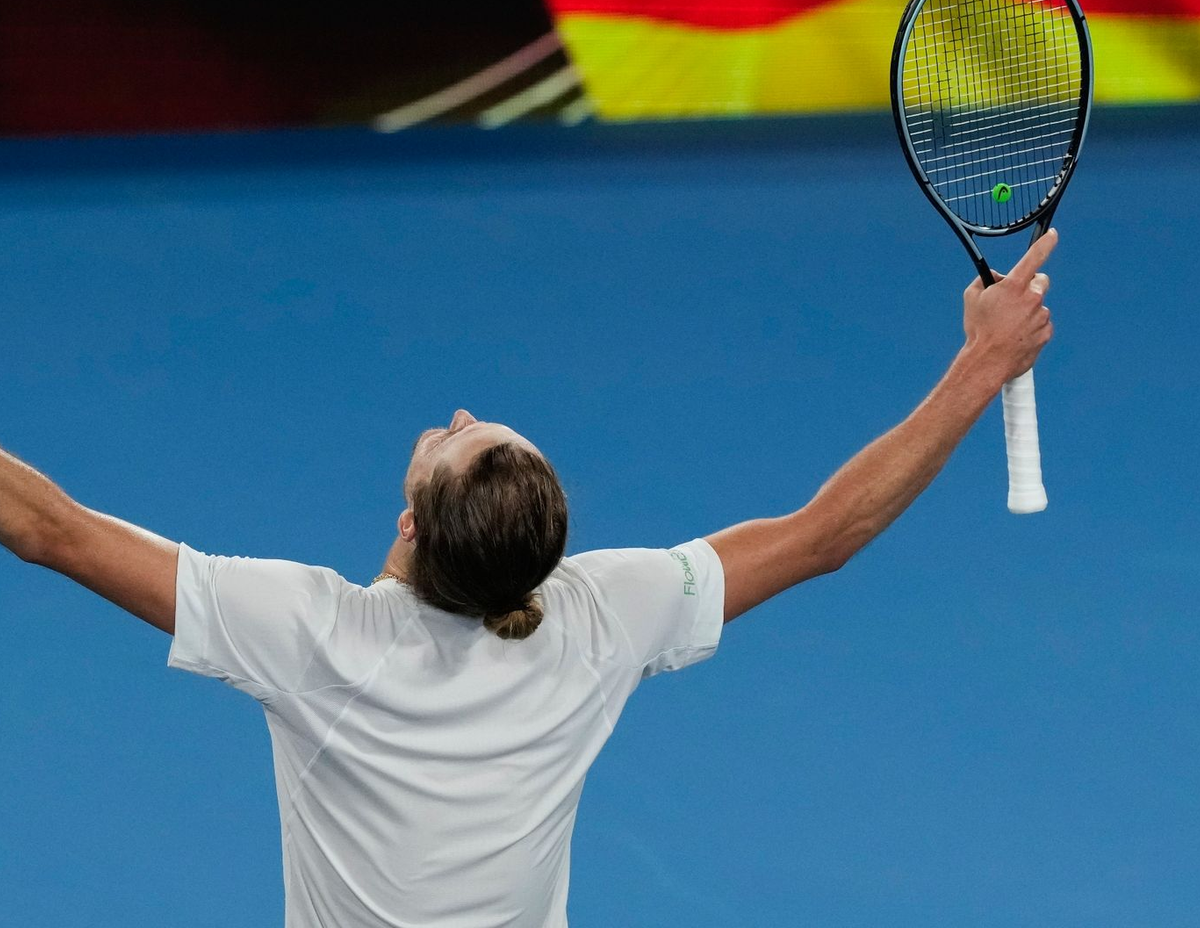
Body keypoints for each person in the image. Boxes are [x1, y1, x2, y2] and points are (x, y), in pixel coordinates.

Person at [0, 231, 1056, 928]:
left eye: (461, 437)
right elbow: (826, 534)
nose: (461, 413)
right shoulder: (606, 616)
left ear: (411, 521)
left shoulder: (312, 636)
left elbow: (55, 532)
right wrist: (980, 366)